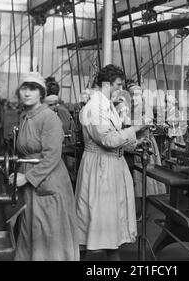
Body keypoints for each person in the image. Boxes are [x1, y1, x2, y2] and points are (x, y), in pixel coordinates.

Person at [75, 64, 149, 260]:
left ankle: (110, 257)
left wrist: (135, 141)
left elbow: (115, 138)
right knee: (96, 219)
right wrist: (135, 127)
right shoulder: (94, 107)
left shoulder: (107, 106)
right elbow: (108, 140)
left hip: (110, 165)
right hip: (100, 168)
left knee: (108, 223)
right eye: (118, 85)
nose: (120, 90)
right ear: (105, 84)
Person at [9, 72, 79, 261]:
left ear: (41, 93)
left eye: (32, 89)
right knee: (30, 230)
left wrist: (27, 177)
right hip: (30, 180)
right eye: (24, 88)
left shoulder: (49, 118)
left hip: (49, 181)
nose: (27, 93)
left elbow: (52, 156)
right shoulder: (25, 117)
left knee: (47, 232)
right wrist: (17, 173)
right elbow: (23, 151)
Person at [126, 83, 167, 218]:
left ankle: (143, 212)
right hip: (131, 146)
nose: (133, 97)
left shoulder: (145, 109)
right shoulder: (128, 109)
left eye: (135, 94)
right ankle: (135, 210)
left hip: (144, 144)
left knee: (145, 179)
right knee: (134, 180)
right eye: (131, 94)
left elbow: (144, 126)